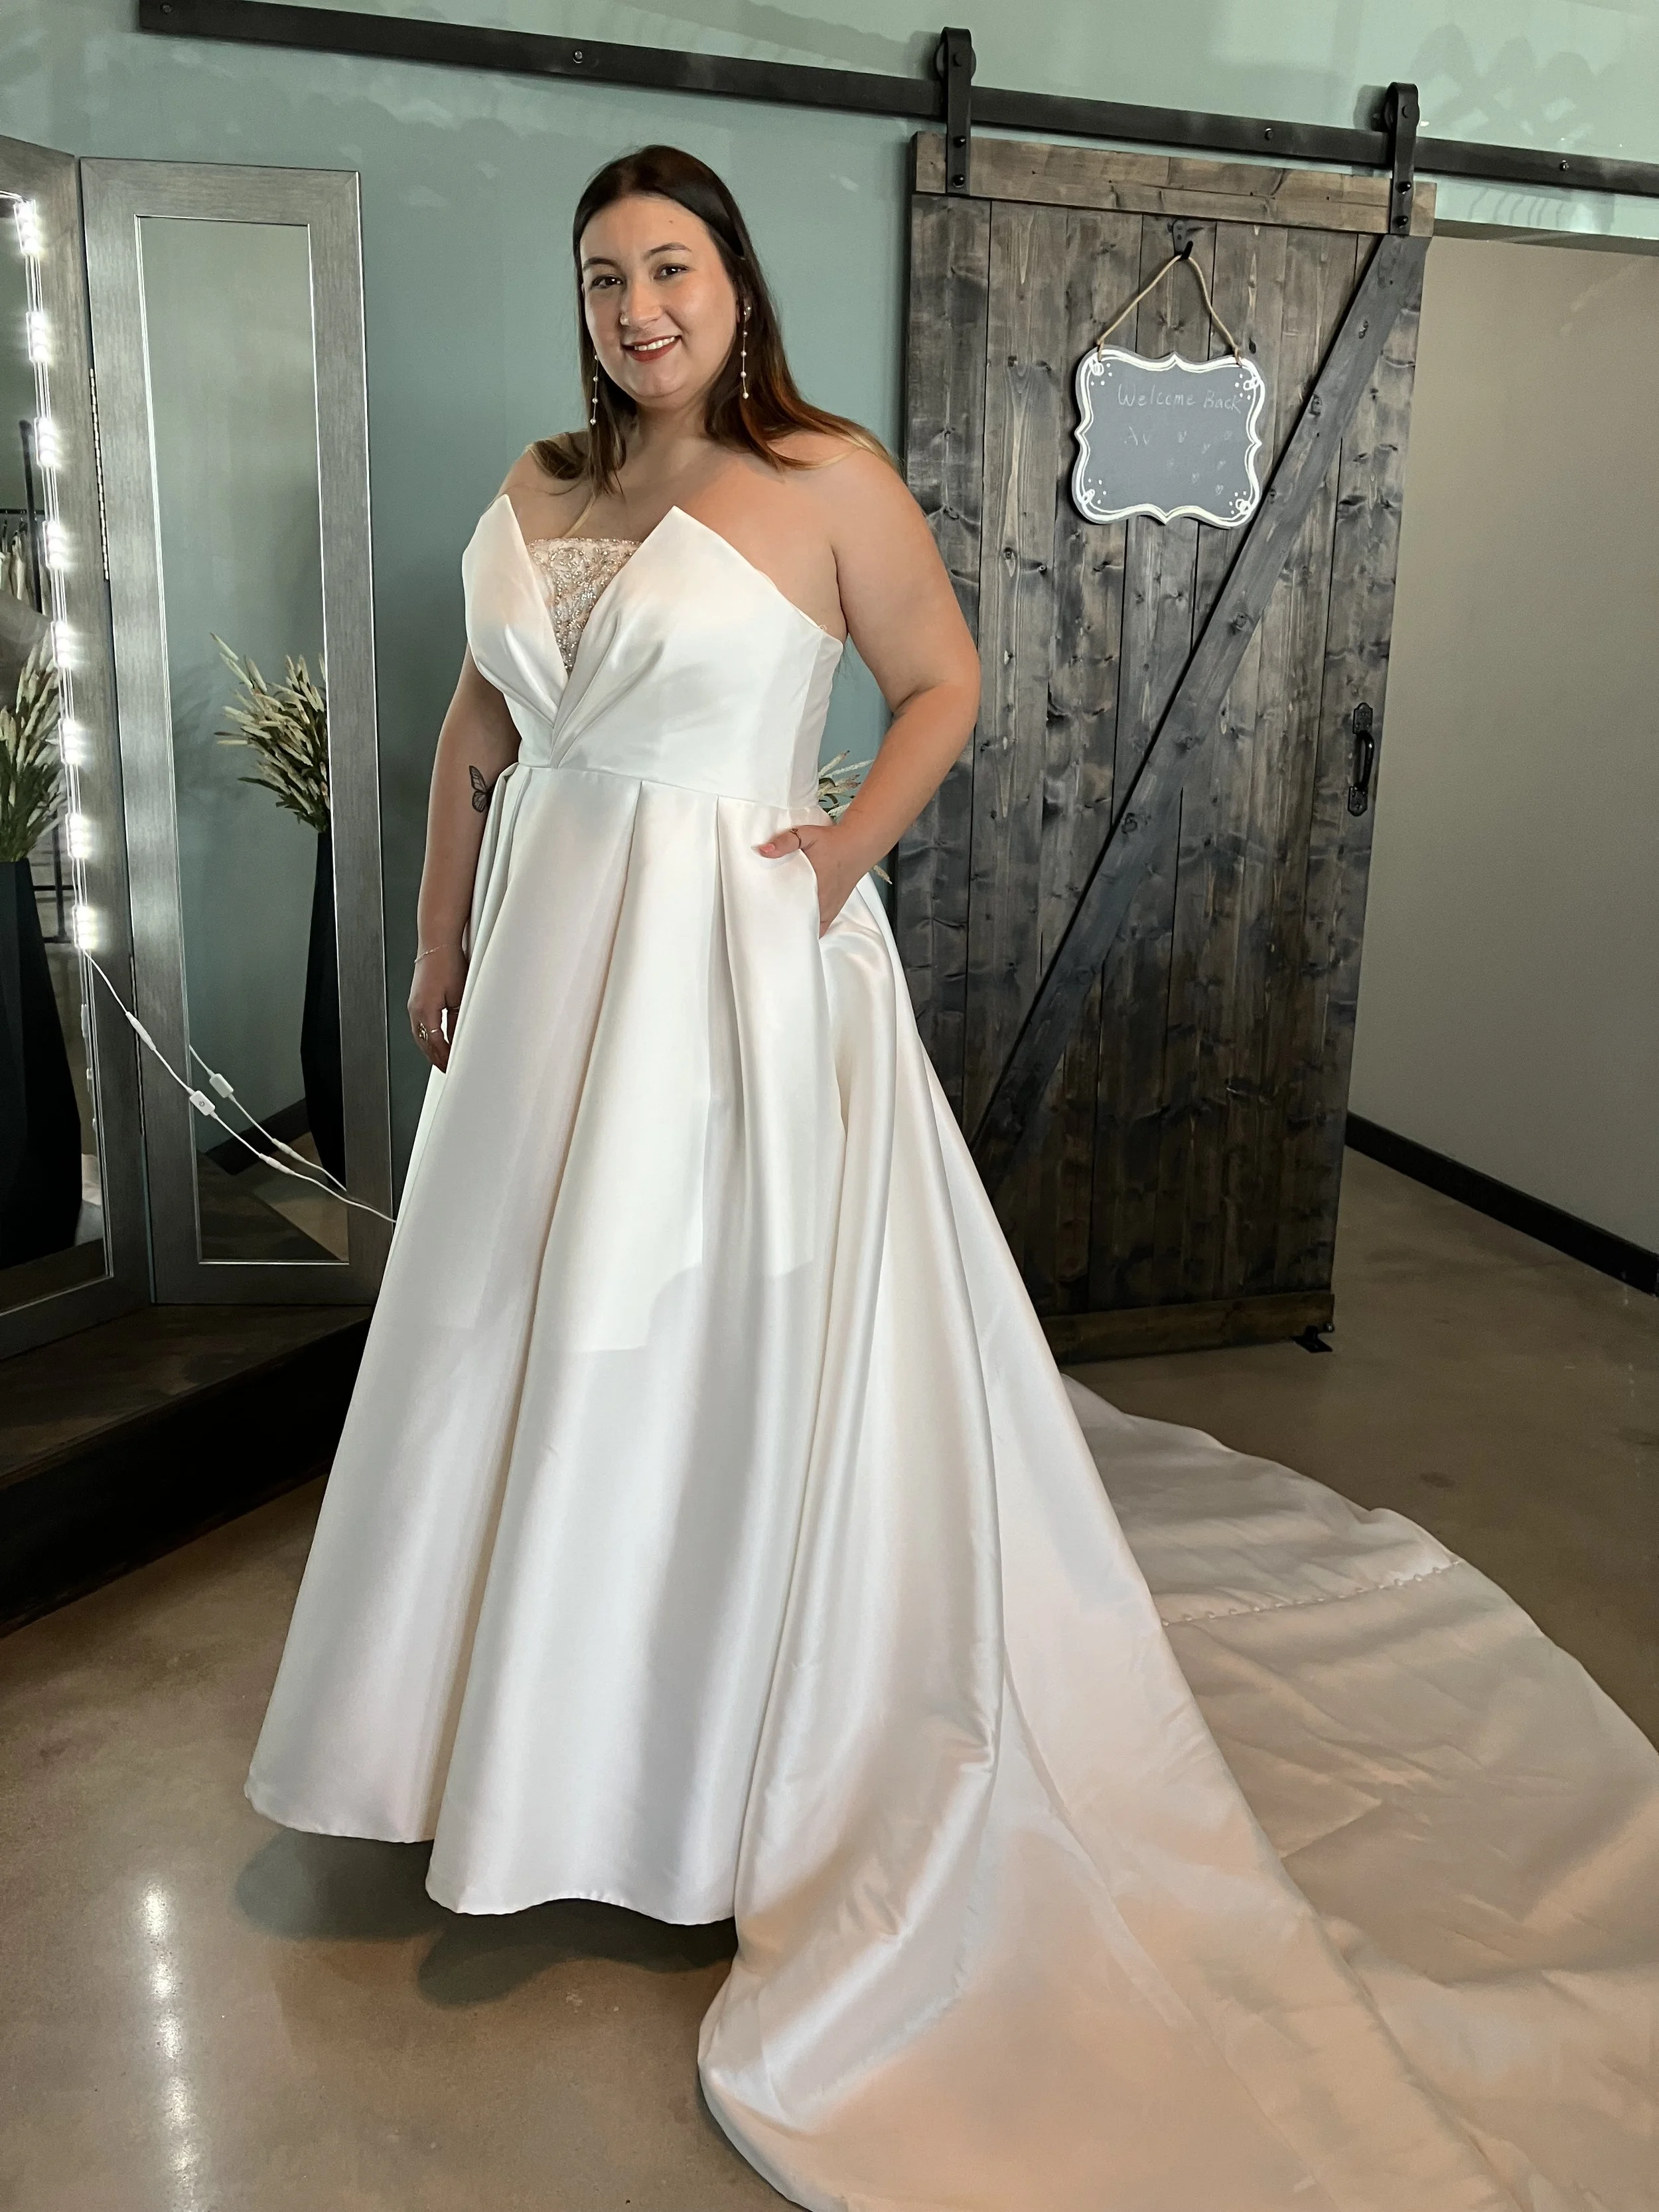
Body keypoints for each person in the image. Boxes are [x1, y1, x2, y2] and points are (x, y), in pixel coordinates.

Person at [248, 146, 1659, 2212]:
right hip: (547, 987)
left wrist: (831, 856)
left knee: (697, 1339)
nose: (637, 307)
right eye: (604, 277)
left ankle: (673, 1763)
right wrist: (441, 938)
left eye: (670, 268)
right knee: (504, 1340)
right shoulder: (541, 482)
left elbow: (943, 688)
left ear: (733, 284)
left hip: (727, 985)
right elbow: (477, 725)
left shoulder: (822, 475)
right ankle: (475, 1737)